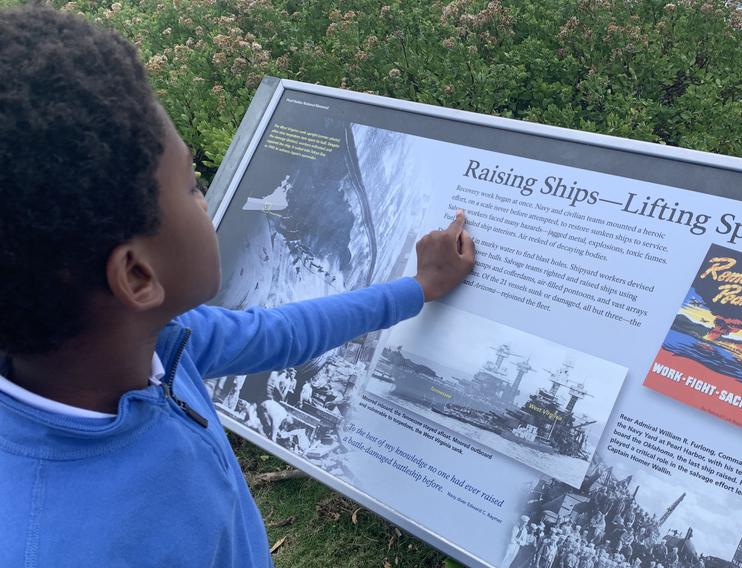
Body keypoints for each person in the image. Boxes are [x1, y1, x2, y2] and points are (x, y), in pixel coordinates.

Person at [0, 6, 475, 567]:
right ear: (136, 275)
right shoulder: (61, 547)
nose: (207, 199)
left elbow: (283, 333)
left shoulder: (160, 344)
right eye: (191, 185)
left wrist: (416, 288)